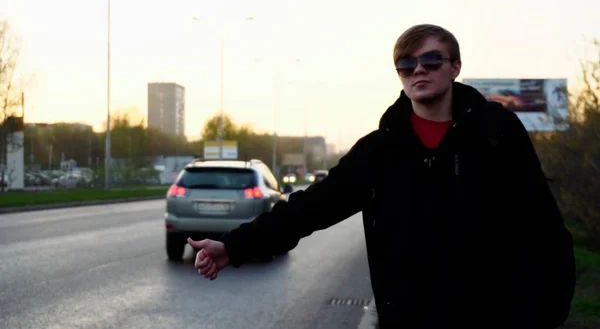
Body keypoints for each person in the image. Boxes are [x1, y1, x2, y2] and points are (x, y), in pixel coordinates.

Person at [187, 24, 576, 329]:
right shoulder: (381, 149)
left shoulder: (497, 132)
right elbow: (311, 207)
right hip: (410, 321)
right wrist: (234, 247)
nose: (418, 70)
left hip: (495, 319)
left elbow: (540, 221)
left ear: (455, 66)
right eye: (407, 65)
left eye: (431, 60)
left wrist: (547, 310)